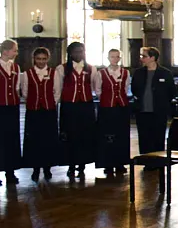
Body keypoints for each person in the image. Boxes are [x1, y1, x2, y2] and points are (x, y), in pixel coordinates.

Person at [57, 42, 98, 178]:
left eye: (81, 51)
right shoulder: (62, 69)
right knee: (71, 135)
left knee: (85, 135)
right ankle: (71, 164)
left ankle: (82, 164)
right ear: (70, 53)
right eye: (75, 51)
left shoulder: (91, 69)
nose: (78, 54)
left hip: (86, 106)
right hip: (69, 107)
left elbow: (95, 87)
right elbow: (58, 88)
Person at [21, 47, 60, 181]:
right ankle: (35, 168)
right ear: (34, 59)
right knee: (34, 141)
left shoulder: (54, 73)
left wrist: (50, 104)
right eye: (38, 59)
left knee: (48, 140)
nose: (41, 62)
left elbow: (57, 92)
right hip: (34, 112)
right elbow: (25, 92)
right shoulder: (27, 74)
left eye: (44, 59)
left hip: (49, 112)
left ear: (47, 59)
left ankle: (47, 168)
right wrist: (35, 102)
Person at [130, 47, 175, 154]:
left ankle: (158, 160)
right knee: (144, 137)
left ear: (152, 58)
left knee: (158, 137)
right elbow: (134, 89)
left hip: (159, 111)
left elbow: (171, 91)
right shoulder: (138, 73)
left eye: (144, 56)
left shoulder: (165, 73)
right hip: (142, 110)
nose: (141, 59)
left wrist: (162, 102)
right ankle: (146, 160)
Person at [93, 49, 130, 174]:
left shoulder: (125, 72)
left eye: (117, 57)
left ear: (120, 58)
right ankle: (107, 163)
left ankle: (120, 163)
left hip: (121, 108)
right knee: (107, 136)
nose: (114, 59)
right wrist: (107, 100)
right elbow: (98, 90)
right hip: (107, 108)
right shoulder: (101, 73)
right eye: (112, 57)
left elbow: (125, 88)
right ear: (108, 58)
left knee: (121, 135)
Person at [0, 39, 21, 186]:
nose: (16, 53)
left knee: (11, 139)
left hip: (12, 107)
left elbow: (17, 86)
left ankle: (10, 171)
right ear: (6, 51)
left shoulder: (16, 67)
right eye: (14, 50)